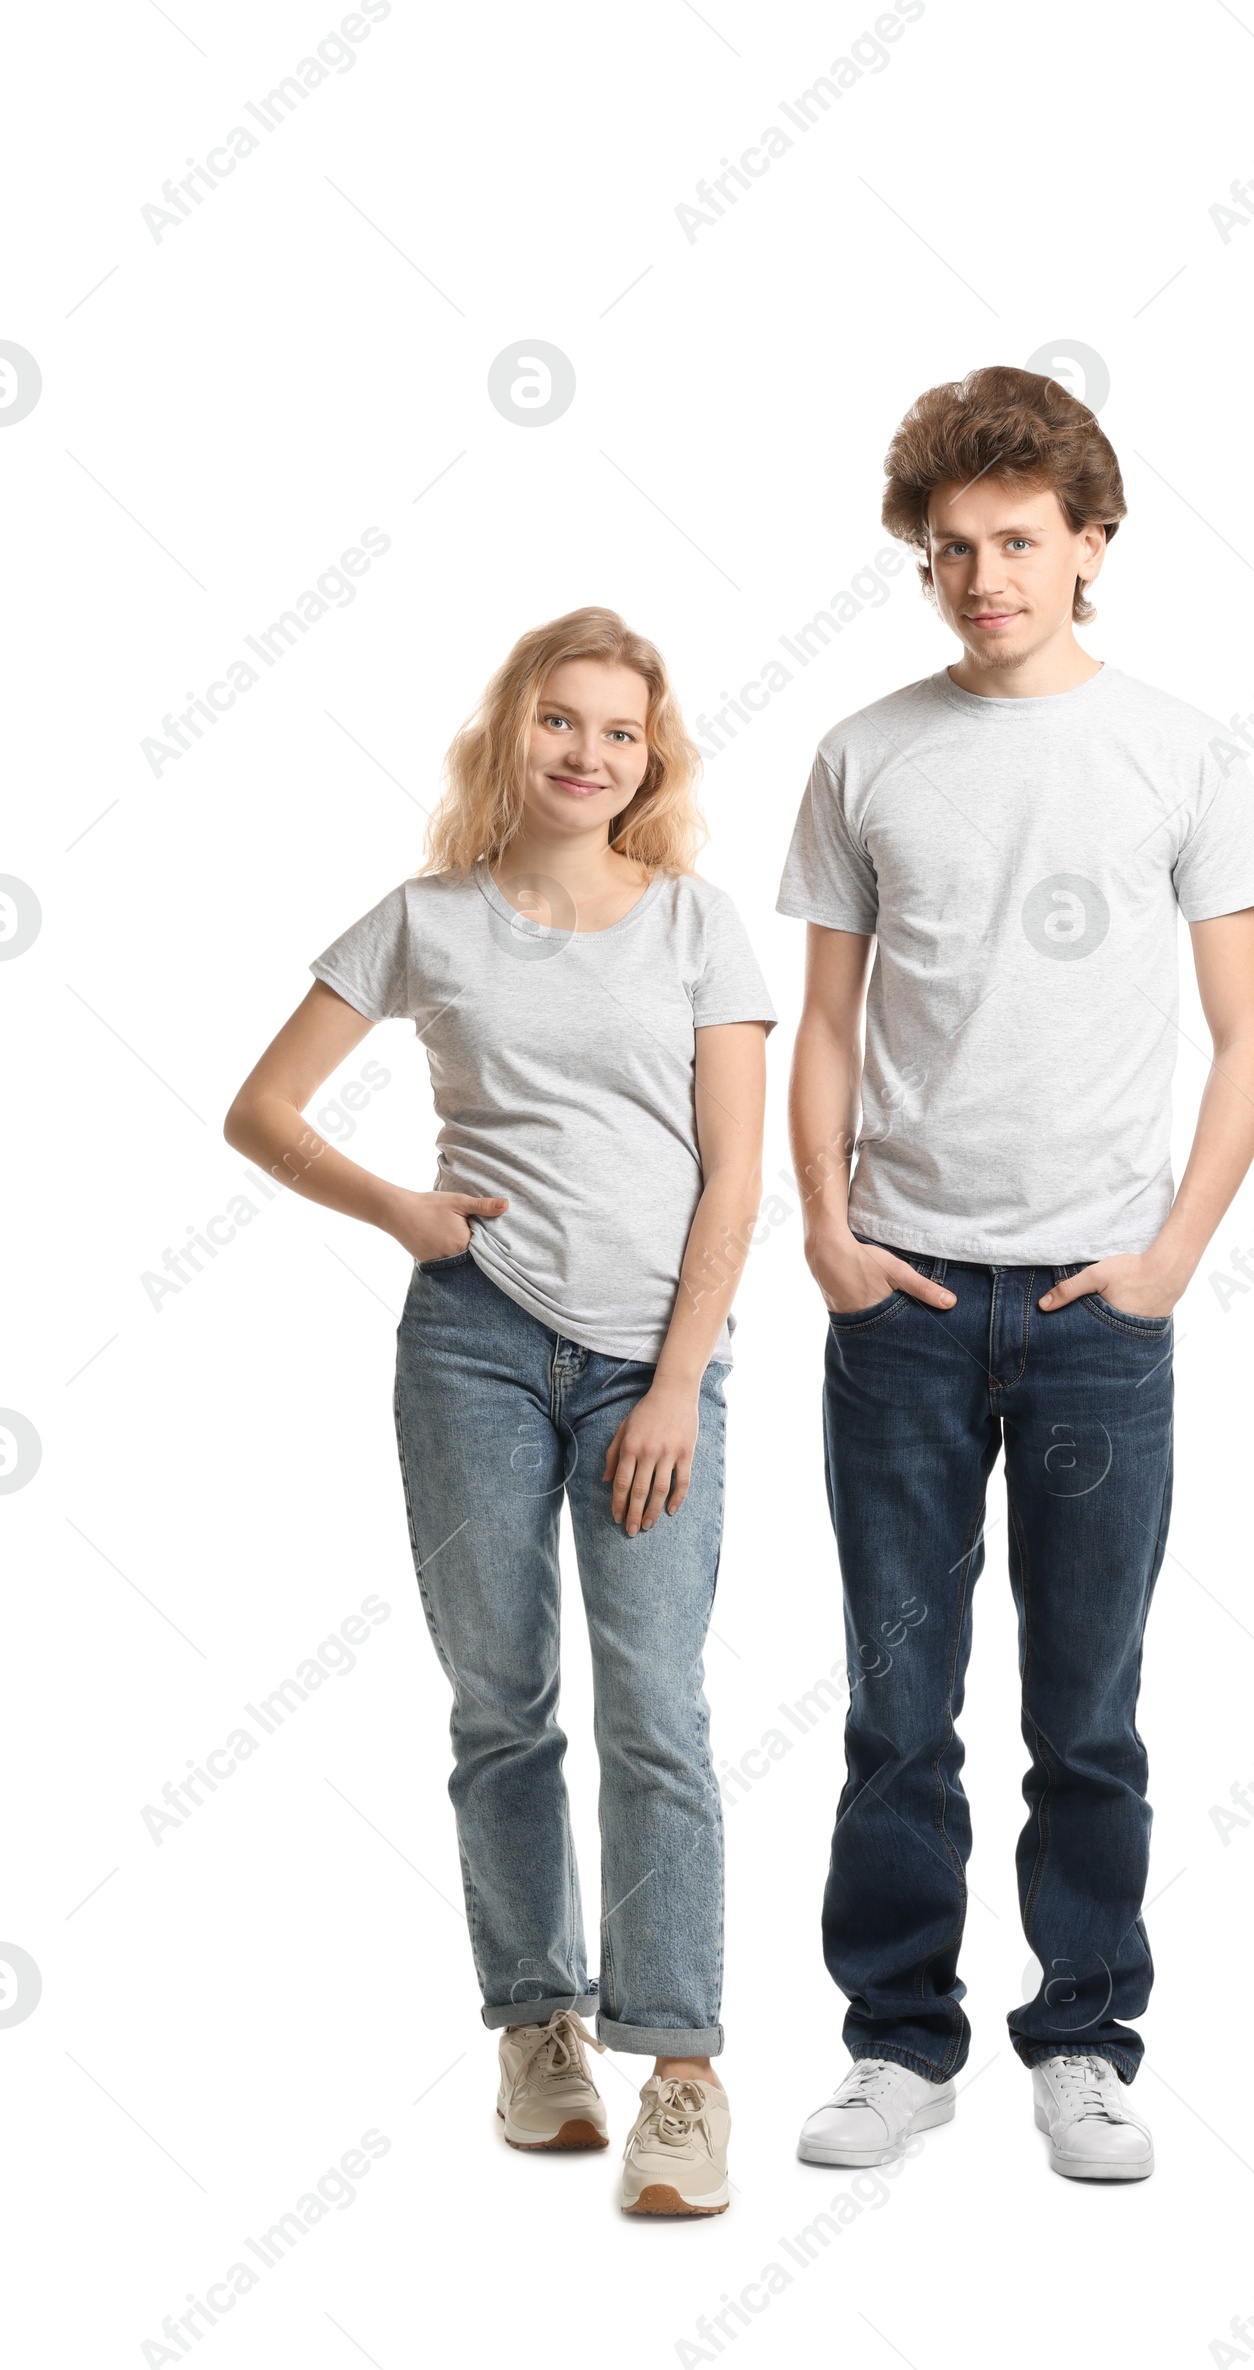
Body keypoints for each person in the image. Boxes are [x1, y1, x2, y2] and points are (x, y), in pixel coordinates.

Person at [779, 366, 1254, 2182]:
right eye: (947, 550)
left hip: (1095, 1311)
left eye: (1014, 541)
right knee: (894, 1705)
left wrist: (1165, 1260)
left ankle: (1084, 2036)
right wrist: (830, 1236)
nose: (979, 576)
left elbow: (1247, 1040)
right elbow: (823, 1026)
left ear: (1090, 545)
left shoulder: (1179, 749)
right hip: (902, 1299)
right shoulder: (864, 751)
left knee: (1088, 1705)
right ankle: (899, 2043)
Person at [224, 607, 774, 2216]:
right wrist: (401, 1208)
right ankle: (538, 2024)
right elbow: (261, 1108)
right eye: (561, 721)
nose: (588, 753)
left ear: (649, 755)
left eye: (619, 731)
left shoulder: (696, 924)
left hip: (646, 1364)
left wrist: (677, 1376)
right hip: (469, 1346)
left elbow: (735, 1170)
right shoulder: (429, 917)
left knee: (656, 1704)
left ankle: (680, 2065)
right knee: (501, 1698)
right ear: (511, 734)